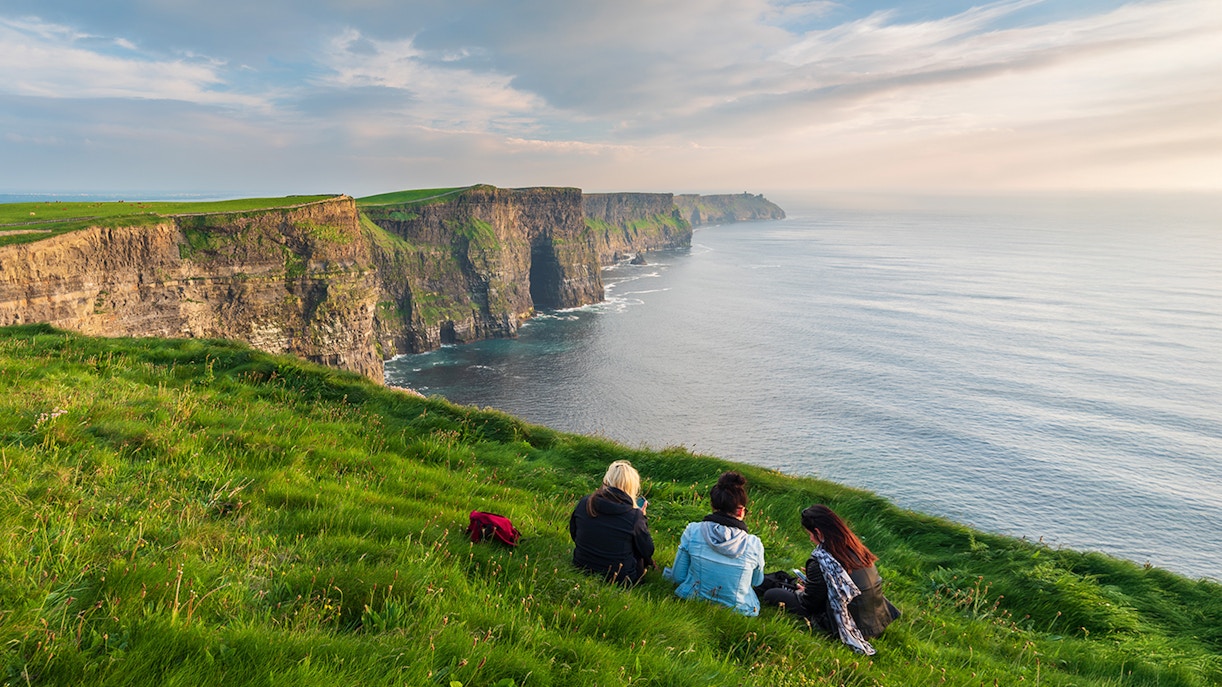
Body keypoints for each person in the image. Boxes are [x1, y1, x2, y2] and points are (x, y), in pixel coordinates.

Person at [762, 504, 899, 655]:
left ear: (818, 533)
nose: (810, 538)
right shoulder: (857, 549)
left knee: (772, 594)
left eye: (810, 534)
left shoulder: (821, 560)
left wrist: (804, 590)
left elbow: (810, 603)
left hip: (849, 625)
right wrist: (815, 581)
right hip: (877, 622)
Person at [664, 471, 766, 616]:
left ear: (713, 504)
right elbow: (757, 581)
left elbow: (678, 577)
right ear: (741, 511)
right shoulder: (753, 543)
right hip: (740, 610)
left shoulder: (693, 530)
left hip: (692, 598)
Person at [570, 460, 655, 584]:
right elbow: (647, 550)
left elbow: (574, 533)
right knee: (638, 549)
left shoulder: (585, 502)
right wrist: (642, 520)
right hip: (620, 579)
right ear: (631, 487)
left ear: (606, 481)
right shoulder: (635, 516)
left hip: (581, 566)